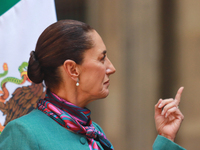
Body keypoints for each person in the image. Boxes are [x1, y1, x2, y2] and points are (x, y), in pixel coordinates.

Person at [0, 20, 185, 150]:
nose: (111, 68)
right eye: (102, 58)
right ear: (72, 69)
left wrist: (165, 138)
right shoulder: (23, 133)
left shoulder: (94, 132)